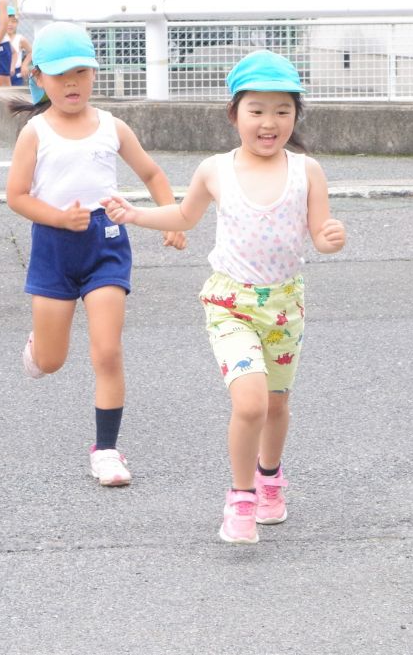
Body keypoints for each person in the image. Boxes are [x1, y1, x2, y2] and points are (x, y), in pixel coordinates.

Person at [102, 50, 347, 543]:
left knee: (277, 405)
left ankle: (270, 476)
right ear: (234, 113)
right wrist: (137, 215)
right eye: (256, 110)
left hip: (284, 307)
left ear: (296, 114)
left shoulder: (307, 170)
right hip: (230, 303)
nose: (269, 122)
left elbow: (318, 231)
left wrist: (330, 236)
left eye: (282, 110)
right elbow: (184, 217)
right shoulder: (216, 169)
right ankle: (240, 499)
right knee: (252, 402)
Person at [5, 22, 185, 486]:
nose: (72, 83)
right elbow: (17, 196)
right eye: (61, 74)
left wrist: (171, 218)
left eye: (82, 72)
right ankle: (37, 350)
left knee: (107, 351)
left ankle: (106, 450)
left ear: (94, 74)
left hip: (106, 246)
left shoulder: (111, 126)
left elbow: (151, 172)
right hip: (54, 244)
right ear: (39, 77)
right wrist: (59, 218)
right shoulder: (35, 132)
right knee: (52, 360)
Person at [6, 6, 31, 86]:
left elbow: (31, 52)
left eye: (13, 21)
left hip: (16, 74)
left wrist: (24, 64)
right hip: (1, 73)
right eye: (7, 21)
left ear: (17, 23)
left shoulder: (20, 39)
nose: (10, 24)